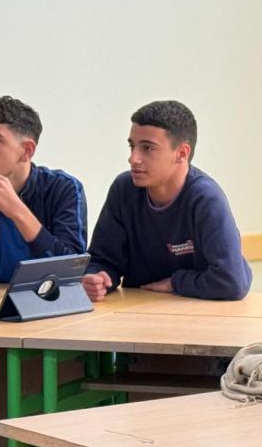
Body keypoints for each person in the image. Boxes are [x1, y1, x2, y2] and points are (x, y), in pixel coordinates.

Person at [82, 100, 251, 301]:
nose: (133, 158)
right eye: (132, 146)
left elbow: (232, 282)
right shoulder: (123, 189)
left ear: (181, 153)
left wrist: (175, 283)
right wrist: (98, 278)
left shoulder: (206, 198)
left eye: (147, 148)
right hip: (136, 308)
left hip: (196, 312)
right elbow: (103, 260)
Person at [0, 96, 87, 282]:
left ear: (27, 150)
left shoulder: (63, 188)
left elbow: (71, 270)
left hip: (48, 297)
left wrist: (17, 211)